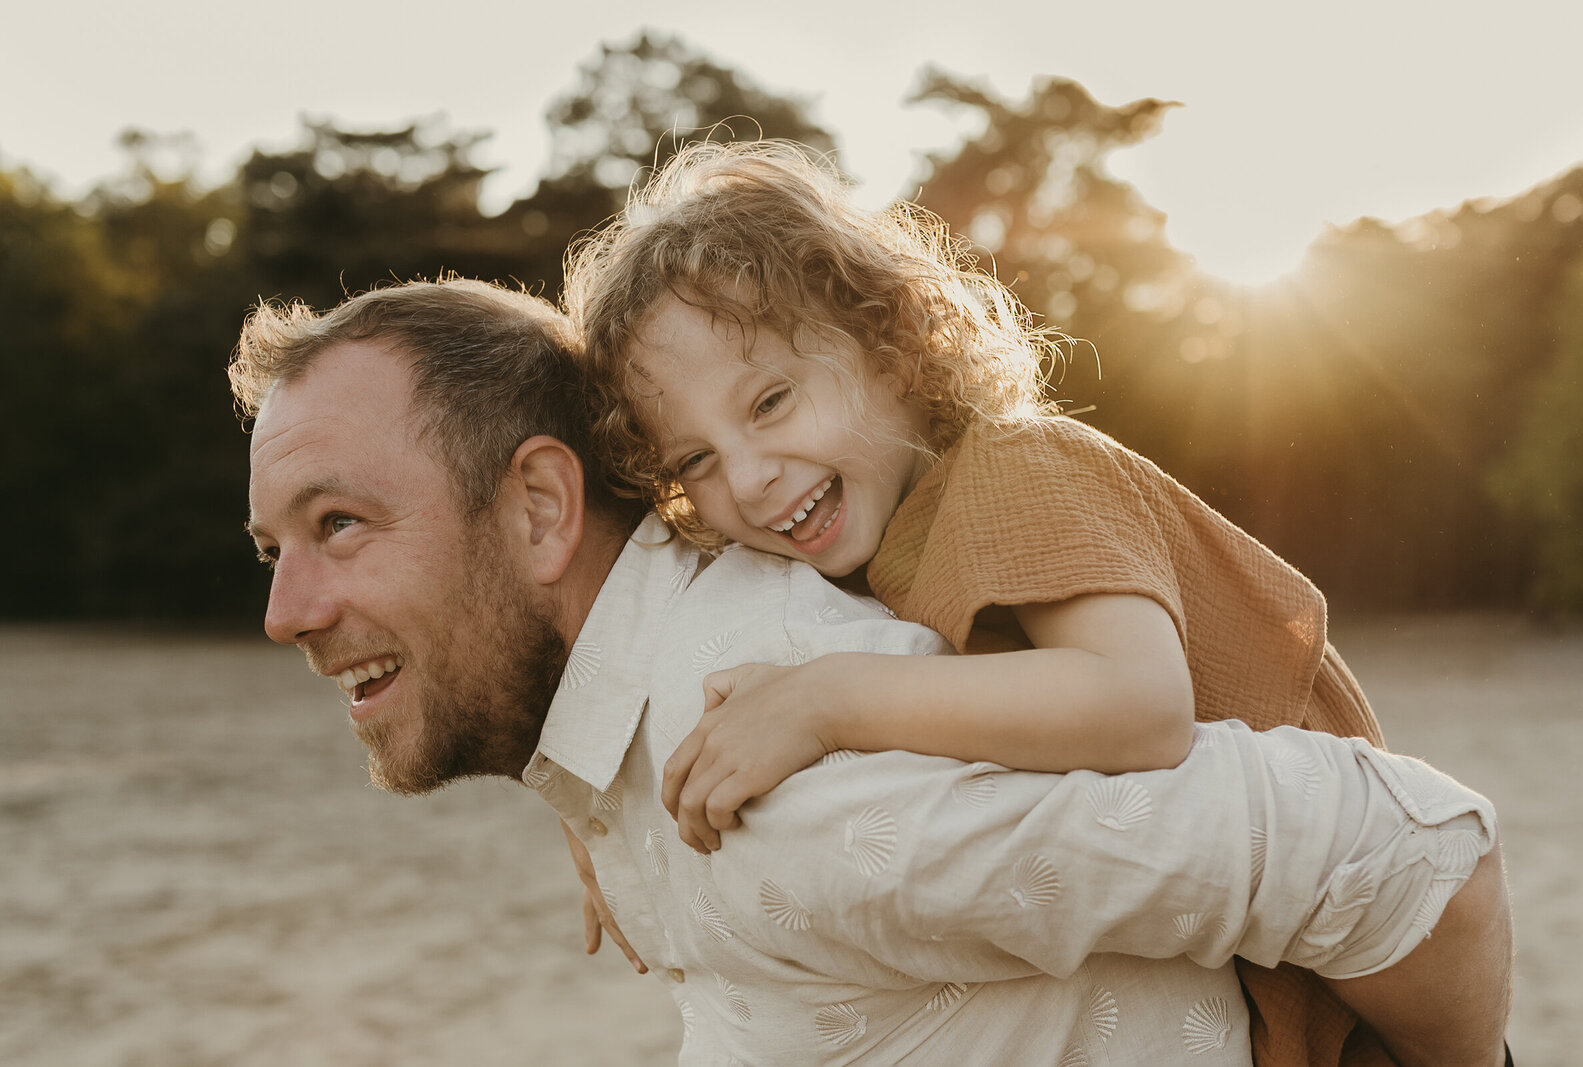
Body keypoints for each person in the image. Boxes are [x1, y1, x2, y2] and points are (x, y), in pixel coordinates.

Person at [235, 278, 1511, 1065]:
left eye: (339, 521)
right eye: (273, 547)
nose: (288, 609)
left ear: (539, 508)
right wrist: (586, 808)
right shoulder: (660, 706)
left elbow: (1404, 851)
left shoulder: (792, 777)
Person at [563, 140, 1394, 1062]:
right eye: (695, 461)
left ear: (893, 345)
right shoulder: (861, 546)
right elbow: (632, 603)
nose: (751, 480)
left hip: (1360, 968)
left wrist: (827, 701)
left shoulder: (1015, 466)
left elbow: (1141, 707)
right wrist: (599, 809)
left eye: (769, 403)